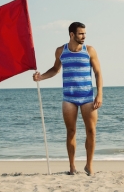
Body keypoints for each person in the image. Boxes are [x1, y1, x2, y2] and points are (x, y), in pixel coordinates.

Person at [33, 22, 103, 176]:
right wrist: (41, 77)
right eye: (80, 34)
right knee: (71, 131)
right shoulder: (61, 51)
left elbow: (98, 72)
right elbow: (55, 69)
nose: (84, 36)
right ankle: (72, 166)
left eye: (85, 33)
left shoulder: (90, 50)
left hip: (87, 97)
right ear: (72, 34)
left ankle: (89, 166)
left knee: (91, 131)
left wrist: (99, 94)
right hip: (69, 98)